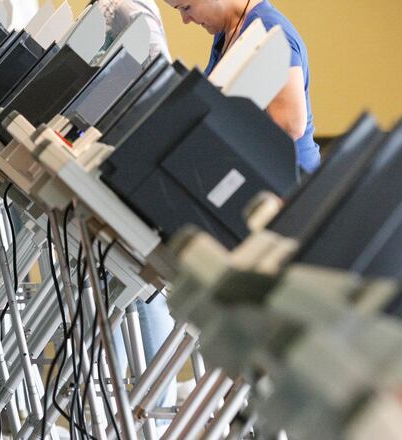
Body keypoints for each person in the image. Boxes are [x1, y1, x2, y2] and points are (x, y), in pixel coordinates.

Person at [94, 0, 178, 419]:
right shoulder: (107, 7)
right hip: (120, 161)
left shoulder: (128, 8)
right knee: (121, 292)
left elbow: (157, 87)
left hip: (137, 162)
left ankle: (154, 416)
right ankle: (124, 413)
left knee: (143, 293)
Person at [164, 0, 321, 174]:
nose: (185, 20)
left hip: (290, 180)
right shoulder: (227, 31)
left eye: (186, 8)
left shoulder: (268, 29)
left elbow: (290, 127)